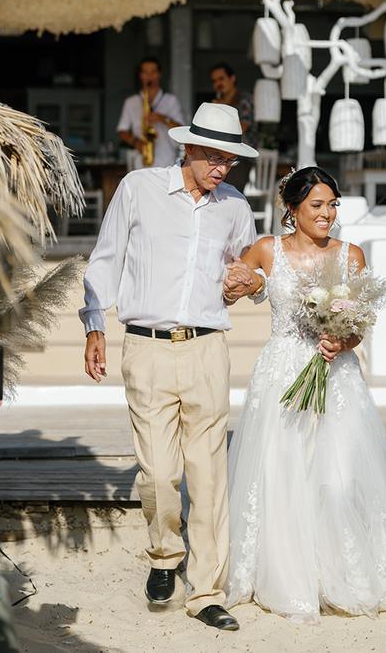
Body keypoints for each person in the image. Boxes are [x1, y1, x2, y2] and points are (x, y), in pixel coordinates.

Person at [79, 102, 265, 631]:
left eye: (230, 159)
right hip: (147, 347)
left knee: (208, 475)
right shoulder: (138, 188)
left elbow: (245, 272)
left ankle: (206, 590)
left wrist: (249, 284)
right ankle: (165, 554)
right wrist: (95, 324)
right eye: (215, 156)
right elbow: (106, 258)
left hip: (208, 349)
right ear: (188, 147)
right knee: (161, 473)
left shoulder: (234, 206)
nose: (223, 167)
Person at [225, 166, 386, 622]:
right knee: (282, 475)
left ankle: (344, 574)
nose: (327, 214)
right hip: (281, 375)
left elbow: (359, 328)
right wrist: (239, 284)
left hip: (337, 377)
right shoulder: (265, 249)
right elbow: (232, 289)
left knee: (338, 480)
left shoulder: (351, 255)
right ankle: (291, 578)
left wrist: (342, 341)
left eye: (333, 205)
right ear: (293, 210)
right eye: (317, 205)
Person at [117, 56, 184, 171]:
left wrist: (162, 118)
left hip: (166, 162)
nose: (149, 76)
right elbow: (122, 131)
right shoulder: (131, 102)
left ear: (159, 74)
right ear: (140, 75)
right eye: (145, 72)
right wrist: (136, 142)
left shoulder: (170, 100)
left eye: (153, 72)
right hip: (140, 163)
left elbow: (181, 130)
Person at [210, 62, 256, 192]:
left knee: (230, 193)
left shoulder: (244, 99)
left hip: (240, 157)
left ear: (232, 78)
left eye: (221, 79)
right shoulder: (218, 102)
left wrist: (223, 109)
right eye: (214, 81)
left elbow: (243, 127)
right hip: (219, 155)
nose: (218, 84)